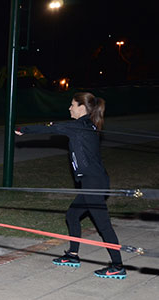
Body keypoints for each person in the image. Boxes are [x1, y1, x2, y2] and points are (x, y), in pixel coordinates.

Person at [15, 92, 125, 279]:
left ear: (82, 108)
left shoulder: (78, 126)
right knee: (72, 215)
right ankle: (73, 255)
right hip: (95, 181)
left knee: (103, 225)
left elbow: (51, 129)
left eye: (72, 105)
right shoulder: (87, 125)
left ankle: (117, 266)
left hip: (93, 182)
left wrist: (24, 129)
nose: (69, 108)